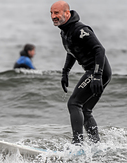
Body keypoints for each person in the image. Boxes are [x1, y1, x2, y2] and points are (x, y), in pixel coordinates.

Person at [50, 1, 112, 145]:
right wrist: (65, 72)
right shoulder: (65, 30)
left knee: (74, 103)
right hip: (99, 72)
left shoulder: (79, 29)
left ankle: (77, 145)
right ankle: (96, 145)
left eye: (57, 13)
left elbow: (99, 50)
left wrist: (97, 75)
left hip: (97, 72)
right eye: (51, 13)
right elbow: (71, 51)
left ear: (67, 13)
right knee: (86, 109)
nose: (53, 16)